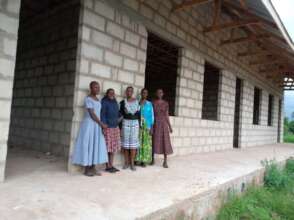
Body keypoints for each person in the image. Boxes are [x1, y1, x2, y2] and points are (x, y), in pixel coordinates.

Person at [72, 81, 108, 176]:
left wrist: (101, 124)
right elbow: (92, 114)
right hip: (89, 125)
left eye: (98, 87)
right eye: (95, 87)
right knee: (88, 145)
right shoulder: (88, 99)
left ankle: (93, 168)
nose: (98, 89)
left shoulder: (97, 99)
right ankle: (86, 169)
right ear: (91, 88)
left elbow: (98, 113)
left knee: (95, 145)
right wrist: (101, 124)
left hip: (96, 125)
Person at [120, 86, 140, 171]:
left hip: (135, 123)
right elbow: (120, 114)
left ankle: (132, 163)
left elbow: (139, 114)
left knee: (133, 144)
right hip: (125, 123)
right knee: (126, 144)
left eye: (131, 91)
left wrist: (140, 125)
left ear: (132, 92)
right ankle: (126, 162)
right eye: (127, 91)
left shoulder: (137, 102)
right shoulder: (122, 102)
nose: (129, 93)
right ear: (126, 92)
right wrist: (119, 126)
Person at [101, 88, 121, 173]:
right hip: (108, 127)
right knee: (107, 147)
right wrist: (103, 125)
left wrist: (121, 116)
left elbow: (117, 113)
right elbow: (102, 114)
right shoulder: (104, 102)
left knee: (112, 148)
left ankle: (111, 165)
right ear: (107, 94)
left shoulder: (115, 102)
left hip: (115, 127)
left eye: (113, 93)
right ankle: (107, 166)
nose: (112, 94)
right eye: (110, 93)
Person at [152, 89, 173, 168]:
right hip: (156, 123)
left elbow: (167, 115)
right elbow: (152, 115)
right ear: (156, 94)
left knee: (165, 142)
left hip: (164, 124)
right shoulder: (153, 103)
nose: (159, 94)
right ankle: (152, 159)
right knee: (154, 140)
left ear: (163, 94)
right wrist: (151, 125)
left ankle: (165, 161)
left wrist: (170, 126)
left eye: (161, 92)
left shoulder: (165, 103)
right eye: (158, 92)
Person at [135, 88, 154, 167]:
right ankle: (137, 159)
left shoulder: (149, 104)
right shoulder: (137, 103)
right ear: (141, 94)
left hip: (147, 126)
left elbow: (152, 116)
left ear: (147, 94)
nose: (144, 94)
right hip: (138, 125)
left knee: (146, 143)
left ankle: (144, 161)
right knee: (138, 142)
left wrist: (152, 127)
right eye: (143, 93)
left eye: (145, 93)